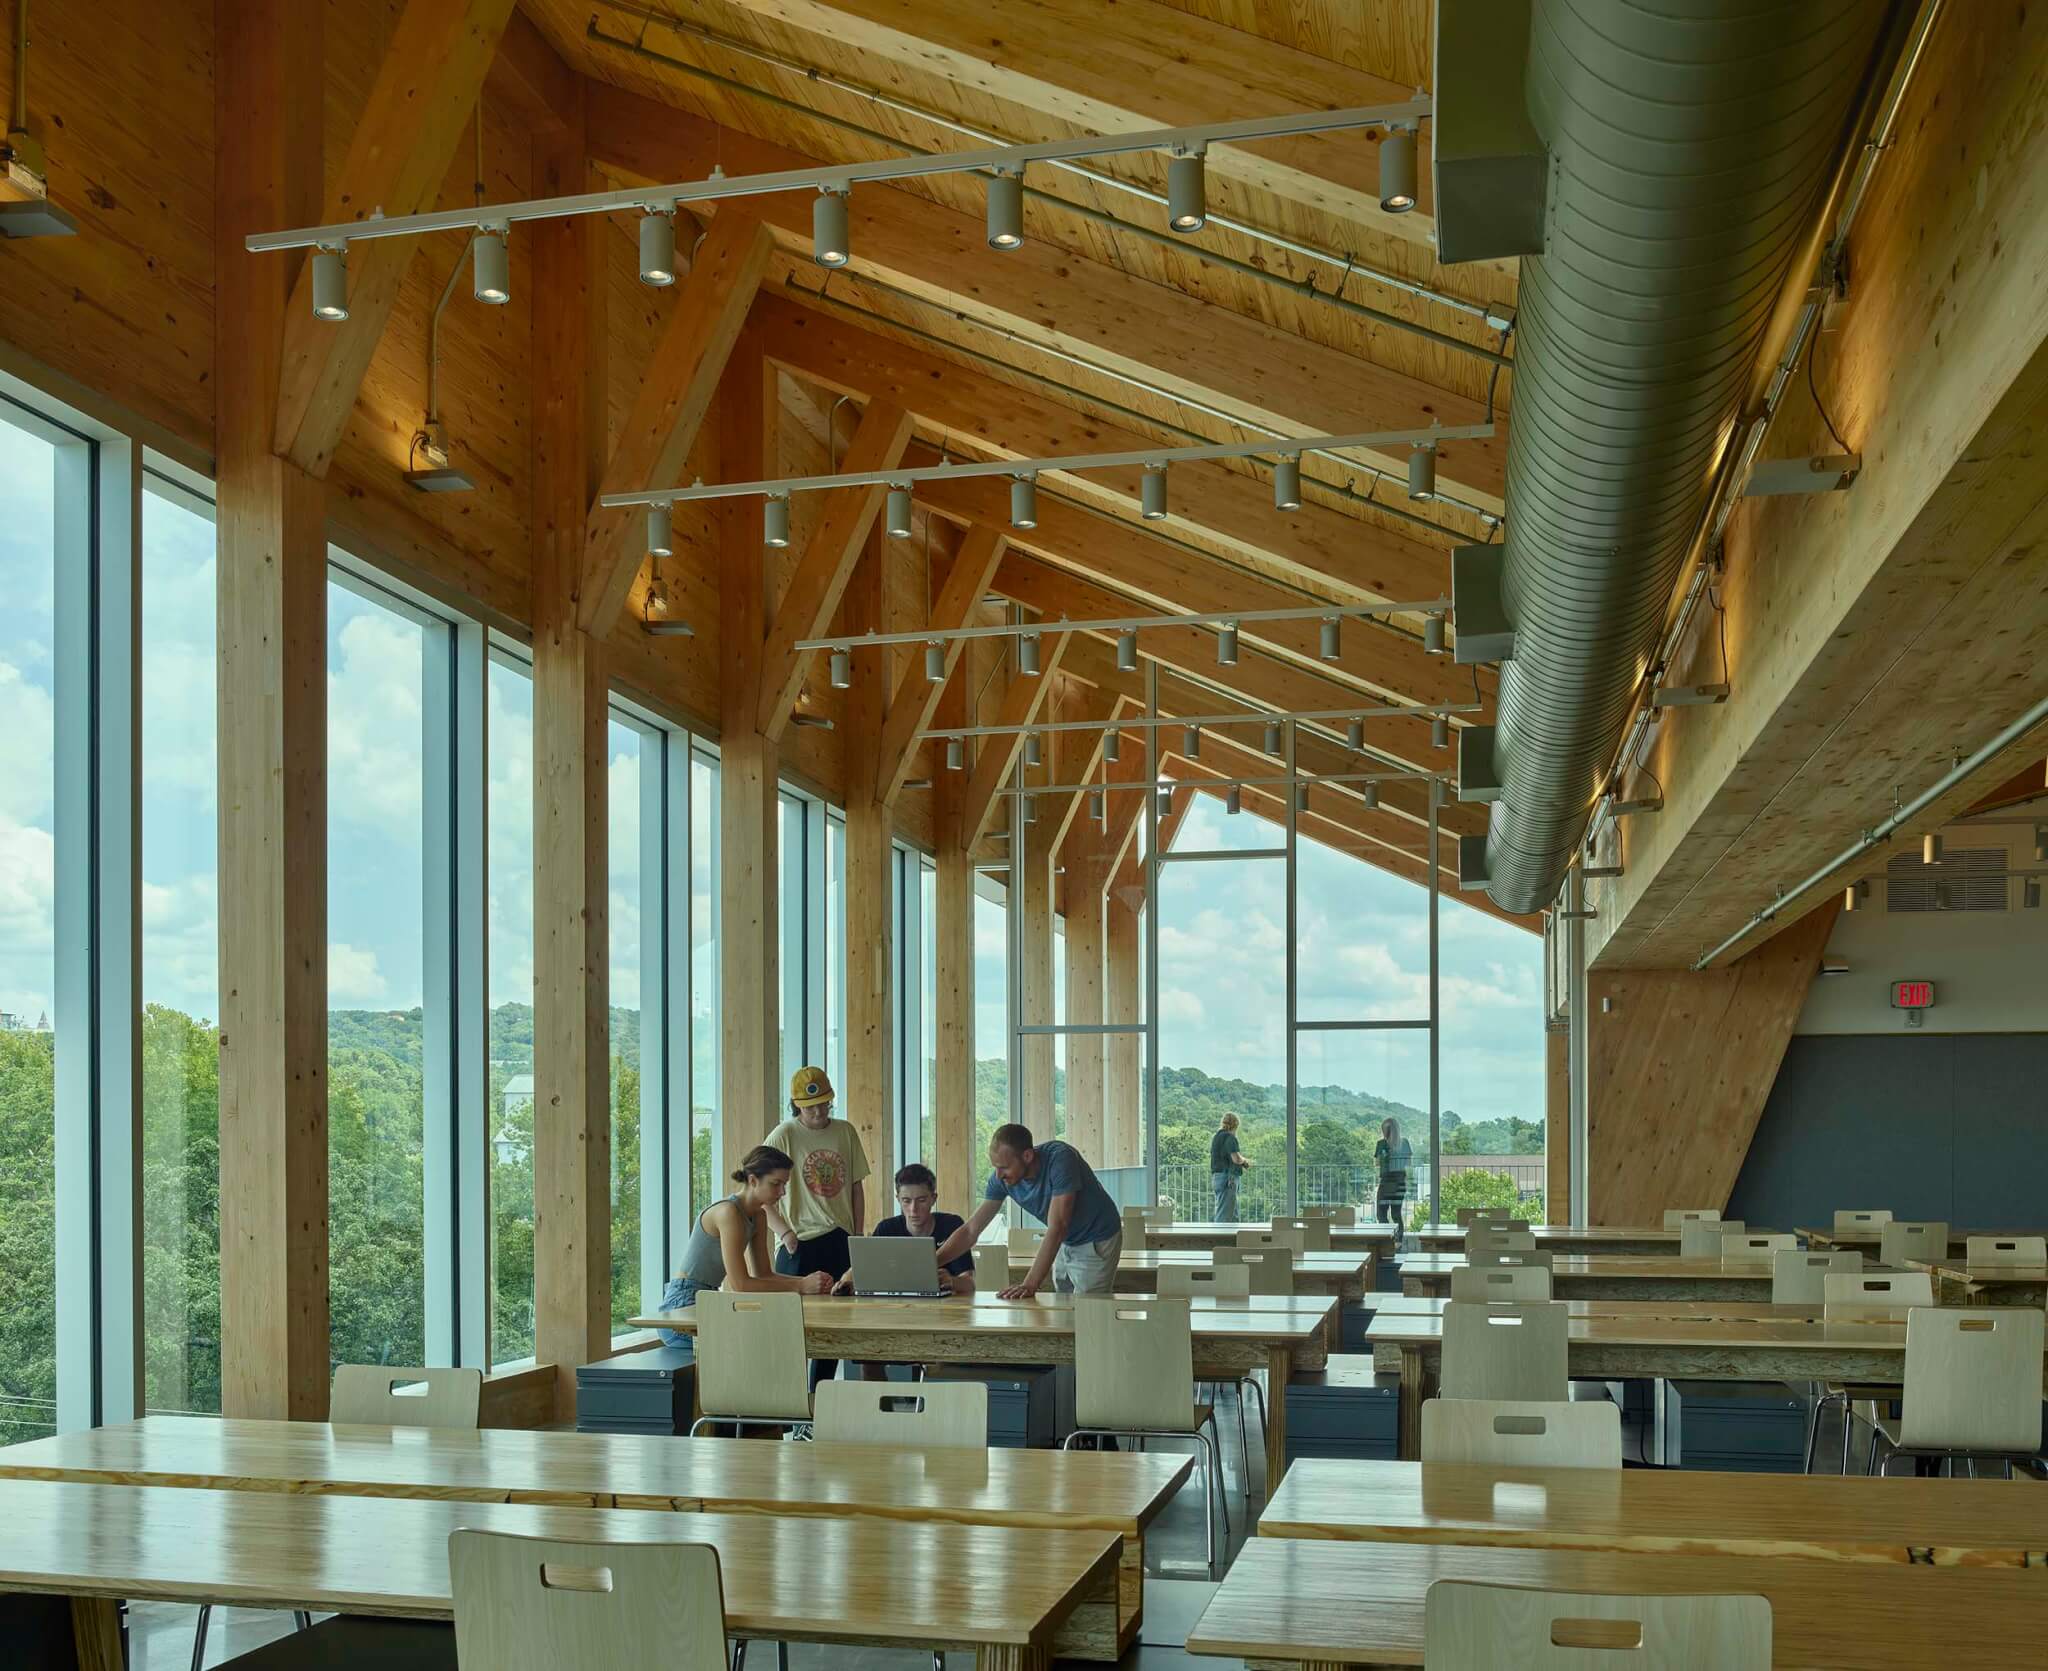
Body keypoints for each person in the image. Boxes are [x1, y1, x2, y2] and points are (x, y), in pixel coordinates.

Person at [654, 1144, 833, 1353]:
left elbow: (764, 1274)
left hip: (706, 1301)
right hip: (681, 1308)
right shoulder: (728, 1212)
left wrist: (812, 1282)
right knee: (752, 1347)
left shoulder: (759, 1215)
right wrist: (801, 1286)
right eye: (776, 1184)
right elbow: (740, 1284)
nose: (782, 1192)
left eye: (784, 1185)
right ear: (753, 1180)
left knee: (766, 1342)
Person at [935, 1123, 1123, 1298]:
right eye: (995, 1167)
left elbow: (1058, 1227)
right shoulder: (1001, 1179)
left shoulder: (1061, 1159)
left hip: (1097, 1237)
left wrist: (1029, 1284)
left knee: (1089, 1312)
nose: (998, 1175)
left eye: (1004, 1167)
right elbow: (970, 1231)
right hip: (1065, 1240)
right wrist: (930, 1264)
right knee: (1064, 1302)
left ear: (1027, 1156)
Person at [871, 1163, 977, 1296]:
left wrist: (952, 1281)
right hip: (895, 1309)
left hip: (944, 1310)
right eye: (906, 1201)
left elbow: (969, 1284)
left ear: (933, 1199)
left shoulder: (951, 1226)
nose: (913, 1209)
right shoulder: (886, 1229)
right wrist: (846, 1280)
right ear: (898, 1199)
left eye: (921, 1200)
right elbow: (862, 1270)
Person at [1209, 1111, 1251, 1222]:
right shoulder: (1230, 1138)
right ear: (1236, 1125)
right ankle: (1218, 1238)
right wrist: (1244, 1161)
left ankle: (1234, 1238)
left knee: (1232, 1213)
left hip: (1217, 1177)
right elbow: (1236, 1158)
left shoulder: (1217, 1137)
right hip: (1228, 1178)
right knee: (1224, 1215)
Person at [1374, 1116, 1413, 1227]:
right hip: (1400, 1182)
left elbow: (1377, 1163)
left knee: (1381, 1214)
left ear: (1385, 1131)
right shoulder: (1405, 1142)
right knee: (1396, 1214)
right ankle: (1399, 1241)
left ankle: (1387, 1239)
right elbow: (1408, 1163)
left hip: (1387, 1182)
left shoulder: (1381, 1144)